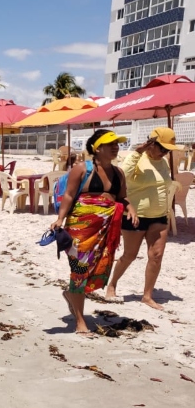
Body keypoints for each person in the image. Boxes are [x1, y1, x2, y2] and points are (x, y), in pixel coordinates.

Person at [50, 130, 137, 336]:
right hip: (80, 228)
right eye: (111, 144)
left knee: (95, 269)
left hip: (106, 229)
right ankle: (80, 321)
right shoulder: (82, 169)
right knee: (79, 271)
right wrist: (60, 219)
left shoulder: (119, 173)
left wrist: (130, 207)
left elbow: (122, 197)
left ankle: (72, 295)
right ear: (97, 148)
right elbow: (69, 195)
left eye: (117, 143)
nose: (116, 147)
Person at [105, 127, 178, 310]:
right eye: (162, 148)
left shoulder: (164, 163)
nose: (165, 153)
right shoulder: (135, 158)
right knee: (130, 255)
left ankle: (147, 296)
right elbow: (121, 176)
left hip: (160, 216)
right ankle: (112, 284)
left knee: (156, 256)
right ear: (151, 143)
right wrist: (138, 152)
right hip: (135, 215)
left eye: (168, 150)